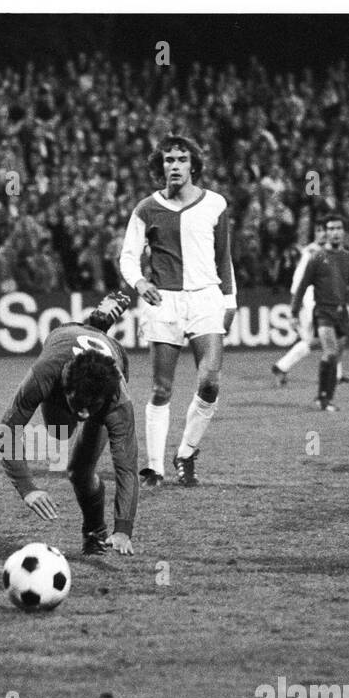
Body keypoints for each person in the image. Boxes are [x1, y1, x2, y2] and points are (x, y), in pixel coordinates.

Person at [119, 135, 237, 488]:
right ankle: (154, 467)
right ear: (161, 166)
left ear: (193, 165)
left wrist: (230, 302)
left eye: (181, 159)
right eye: (168, 159)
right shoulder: (146, 208)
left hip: (205, 298)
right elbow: (128, 256)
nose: (174, 165)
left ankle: (186, 452)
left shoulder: (215, 204)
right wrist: (139, 282)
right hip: (164, 301)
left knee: (210, 381)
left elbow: (224, 258)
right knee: (160, 388)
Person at [0, 291, 137, 556]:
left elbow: (127, 468)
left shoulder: (117, 399)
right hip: (65, 337)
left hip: (111, 357)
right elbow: (6, 431)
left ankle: (95, 534)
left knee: (79, 472)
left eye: (90, 409)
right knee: (61, 431)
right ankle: (98, 321)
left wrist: (123, 529)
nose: (83, 415)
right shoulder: (45, 372)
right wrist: (27, 489)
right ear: (64, 387)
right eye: (78, 406)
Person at [288, 213, 349, 411]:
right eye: (331, 229)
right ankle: (322, 398)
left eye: (338, 228)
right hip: (323, 312)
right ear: (326, 232)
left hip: (341, 314)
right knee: (329, 353)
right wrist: (294, 312)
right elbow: (302, 286)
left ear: (344, 232)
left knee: (336, 356)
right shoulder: (317, 257)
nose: (335, 232)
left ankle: (327, 398)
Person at [271, 223, 325, 386]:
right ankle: (335, 376)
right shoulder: (310, 252)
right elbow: (298, 280)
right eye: (319, 230)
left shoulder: (327, 251)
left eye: (325, 230)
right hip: (312, 302)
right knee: (326, 337)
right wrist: (296, 306)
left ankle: (281, 366)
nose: (322, 234)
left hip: (320, 300)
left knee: (314, 340)